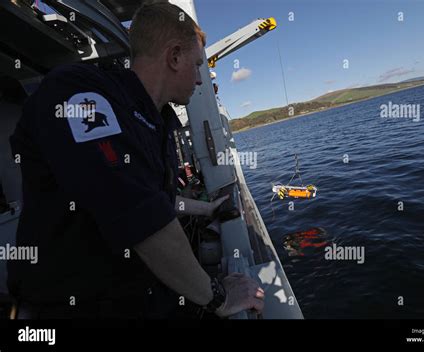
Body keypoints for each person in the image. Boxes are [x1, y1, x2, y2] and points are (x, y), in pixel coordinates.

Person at [8, 1, 264, 319]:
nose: (200, 79)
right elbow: (140, 216)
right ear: (174, 56)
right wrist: (220, 298)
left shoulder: (154, 121)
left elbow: (158, 201)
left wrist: (207, 209)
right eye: (198, 65)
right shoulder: (78, 92)